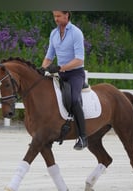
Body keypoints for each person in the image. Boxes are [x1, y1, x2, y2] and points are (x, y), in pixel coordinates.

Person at [41, 11, 87, 150]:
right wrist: (42, 69)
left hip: (75, 74)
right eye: (54, 16)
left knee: (73, 100)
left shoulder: (76, 33)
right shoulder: (53, 34)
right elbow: (49, 57)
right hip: (60, 73)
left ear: (67, 15)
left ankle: (83, 137)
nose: (56, 19)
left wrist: (61, 67)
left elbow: (79, 59)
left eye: (59, 16)